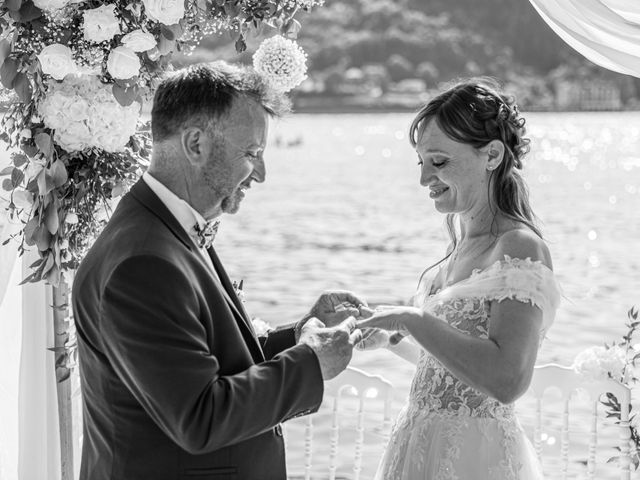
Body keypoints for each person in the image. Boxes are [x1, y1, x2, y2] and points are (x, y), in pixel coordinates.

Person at [72, 61, 364, 480]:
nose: (260, 174)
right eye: (252, 154)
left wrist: (300, 332)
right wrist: (310, 363)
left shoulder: (165, 228)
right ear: (195, 144)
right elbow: (199, 417)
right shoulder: (143, 262)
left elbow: (204, 355)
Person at [357, 78, 562, 480]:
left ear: (492, 155)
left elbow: (506, 380)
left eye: (439, 162)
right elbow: (454, 372)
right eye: (422, 163)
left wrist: (412, 320)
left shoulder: (518, 246)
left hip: (475, 458)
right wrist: (391, 339)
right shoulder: (454, 251)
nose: (424, 180)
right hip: (417, 446)